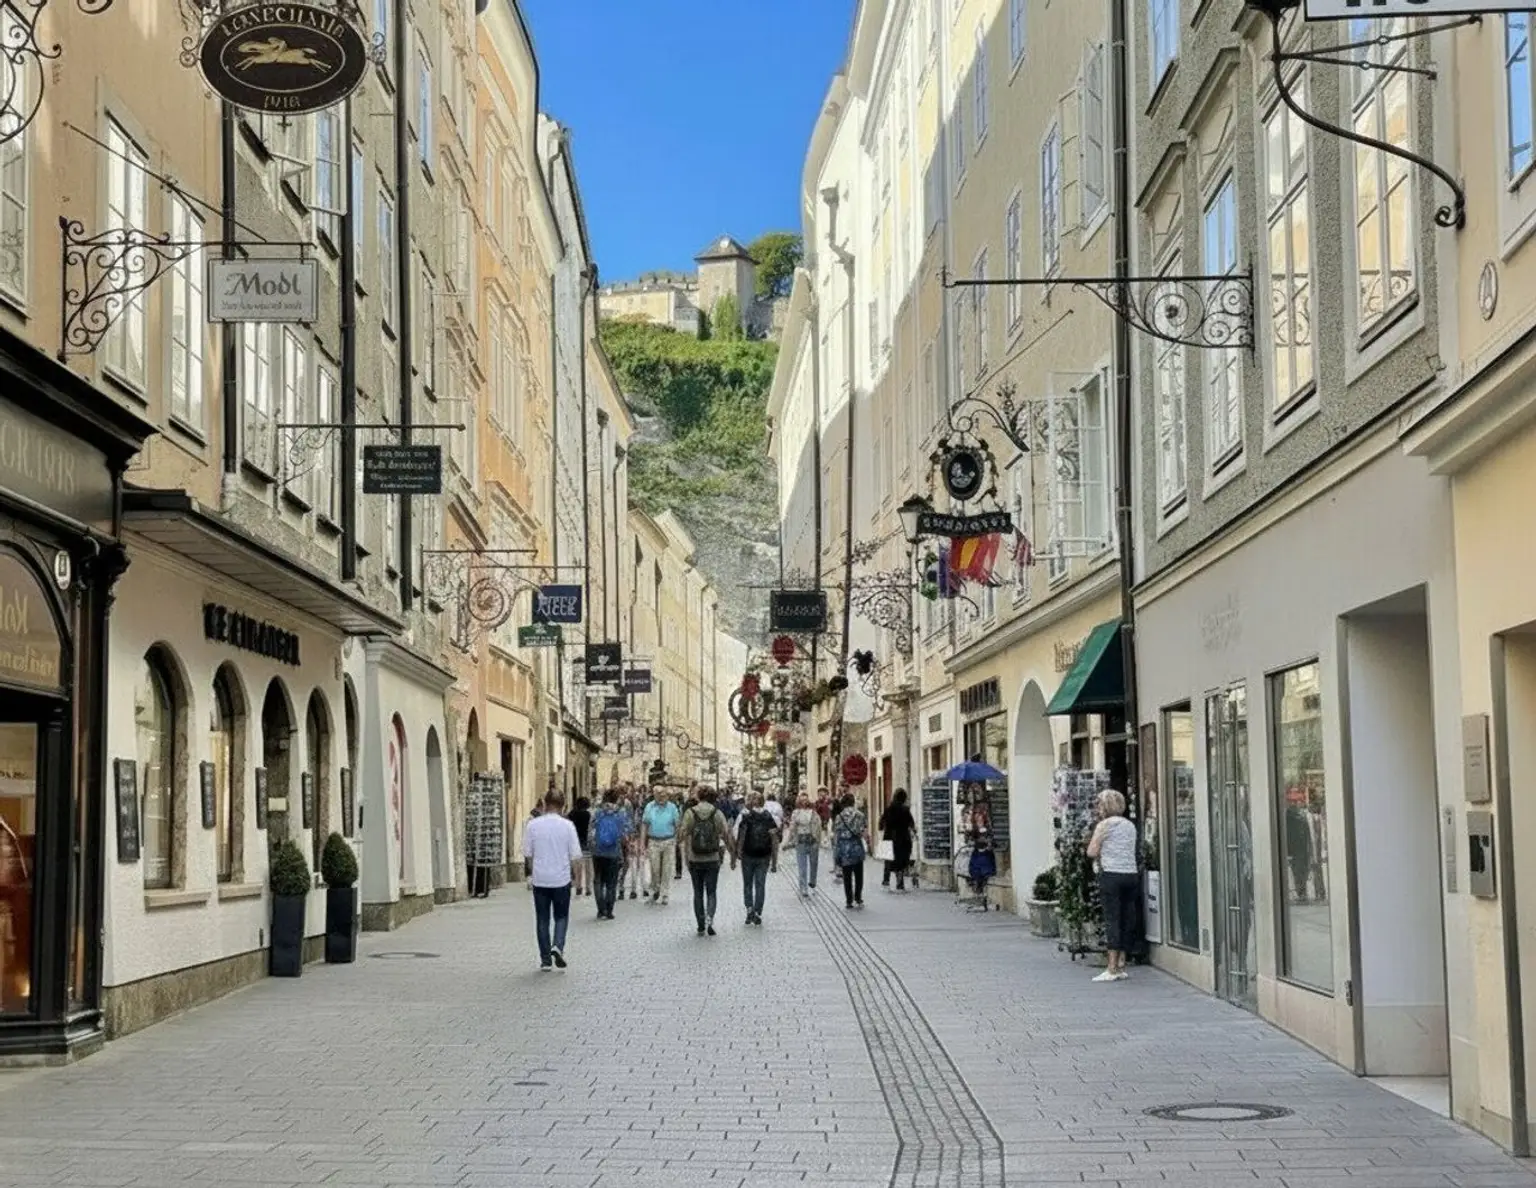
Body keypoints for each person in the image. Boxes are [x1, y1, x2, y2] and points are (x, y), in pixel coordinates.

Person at [521, 791, 582, 971]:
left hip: (540, 879)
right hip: (561, 879)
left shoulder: (533, 825)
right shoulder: (568, 826)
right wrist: (577, 880)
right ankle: (558, 946)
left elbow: (528, 854)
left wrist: (531, 873)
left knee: (542, 919)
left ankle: (545, 960)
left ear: (545, 804)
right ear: (562, 806)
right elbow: (575, 856)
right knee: (561, 916)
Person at [1087, 788, 1139, 983]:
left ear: (1105, 806)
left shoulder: (1104, 825)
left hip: (1111, 875)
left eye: (1099, 804)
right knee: (1127, 918)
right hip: (1131, 874)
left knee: (1112, 919)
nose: (1098, 808)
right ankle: (1122, 963)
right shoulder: (1130, 825)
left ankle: (1111, 967)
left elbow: (1092, 852)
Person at [680, 788, 733, 935]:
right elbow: (726, 833)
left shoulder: (690, 812)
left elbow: (682, 833)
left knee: (697, 892)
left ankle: (700, 923)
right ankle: (710, 919)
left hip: (695, 858)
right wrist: (732, 854)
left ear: (699, 797)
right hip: (712, 858)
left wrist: (684, 852)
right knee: (711, 891)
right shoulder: (717, 813)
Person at [734, 792, 779, 925]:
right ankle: (758, 912)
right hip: (764, 855)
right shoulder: (768, 817)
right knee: (760, 884)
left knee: (747, 884)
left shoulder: (746, 816)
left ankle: (749, 909)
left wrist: (738, 852)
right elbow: (774, 839)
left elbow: (741, 835)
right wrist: (774, 860)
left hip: (748, 855)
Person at [590, 790, 629, 920]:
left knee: (598, 880)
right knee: (611, 882)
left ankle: (600, 909)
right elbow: (624, 834)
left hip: (598, 851)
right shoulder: (620, 813)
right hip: (613, 852)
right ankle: (609, 910)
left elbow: (591, 831)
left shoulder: (597, 812)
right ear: (616, 799)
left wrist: (592, 846)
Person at [832, 794, 872, 909]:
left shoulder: (839, 817)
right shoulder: (860, 815)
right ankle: (858, 898)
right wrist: (868, 842)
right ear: (853, 802)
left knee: (847, 875)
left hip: (844, 848)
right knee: (859, 874)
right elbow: (864, 831)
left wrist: (836, 848)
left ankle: (849, 900)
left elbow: (837, 834)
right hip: (856, 847)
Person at [641, 787, 680, 904]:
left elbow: (677, 824)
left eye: (663, 795)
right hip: (653, 841)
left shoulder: (672, 807)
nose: (661, 798)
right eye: (658, 795)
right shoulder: (649, 806)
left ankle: (665, 894)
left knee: (667, 869)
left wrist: (676, 839)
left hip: (668, 841)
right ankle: (655, 890)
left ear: (667, 796)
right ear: (654, 795)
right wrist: (642, 843)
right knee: (655, 868)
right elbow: (644, 825)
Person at [783, 791, 823, 896]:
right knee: (802, 867)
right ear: (799, 801)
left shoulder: (813, 813)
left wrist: (818, 840)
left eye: (806, 799)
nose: (804, 801)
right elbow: (792, 828)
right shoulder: (796, 813)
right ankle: (803, 888)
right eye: (802, 799)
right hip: (801, 841)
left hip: (812, 840)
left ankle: (813, 881)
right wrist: (787, 842)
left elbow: (818, 826)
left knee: (814, 864)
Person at [879, 788, 917, 892]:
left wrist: (883, 827)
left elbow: (881, 824)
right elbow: (911, 823)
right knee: (901, 860)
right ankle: (900, 883)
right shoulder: (905, 810)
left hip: (889, 837)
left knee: (888, 860)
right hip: (903, 838)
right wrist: (914, 831)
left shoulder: (888, 809)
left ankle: (886, 880)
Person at [568, 796, 593, 897]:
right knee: (588, 866)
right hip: (586, 842)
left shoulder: (571, 814)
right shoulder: (588, 814)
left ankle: (578, 886)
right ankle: (588, 887)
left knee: (577, 865)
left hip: (575, 843)